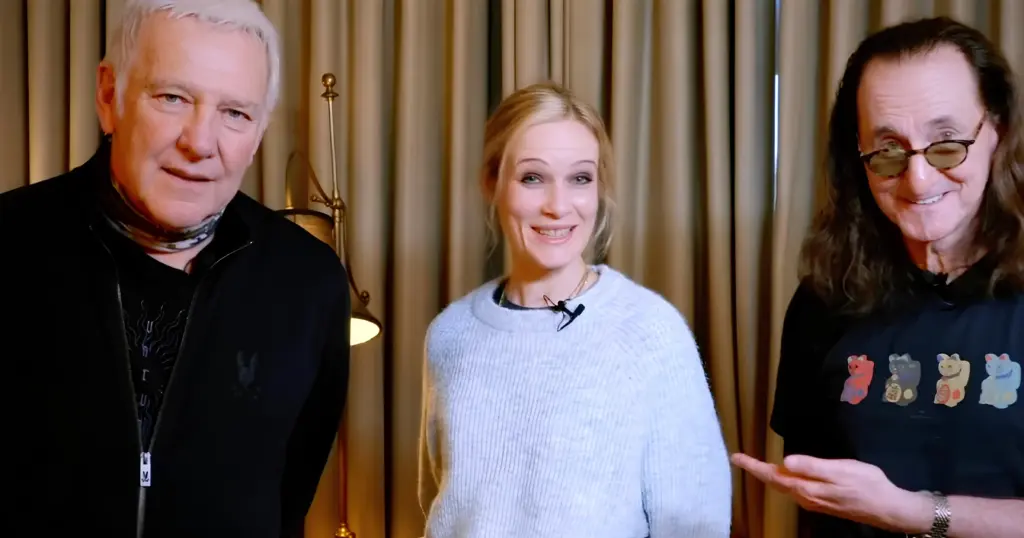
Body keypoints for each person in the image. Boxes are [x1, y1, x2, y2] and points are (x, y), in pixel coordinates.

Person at [1, 1, 350, 536]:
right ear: (109, 96)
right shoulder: (8, 242)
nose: (199, 143)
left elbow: (290, 494)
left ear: (259, 133)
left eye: (235, 113)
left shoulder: (309, 281)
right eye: (172, 98)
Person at [730, 16, 1024, 538]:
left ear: (996, 129)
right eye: (888, 150)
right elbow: (819, 496)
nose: (918, 179)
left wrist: (917, 513)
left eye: (947, 142)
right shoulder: (824, 297)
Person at [416, 82, 733, 538]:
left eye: (580, 178)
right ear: (491, 183)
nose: (558, 206)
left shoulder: (650, 331)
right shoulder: (450, 334)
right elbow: (440, 502)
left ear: (599, 188)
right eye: (532, 178)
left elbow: (695, 525)